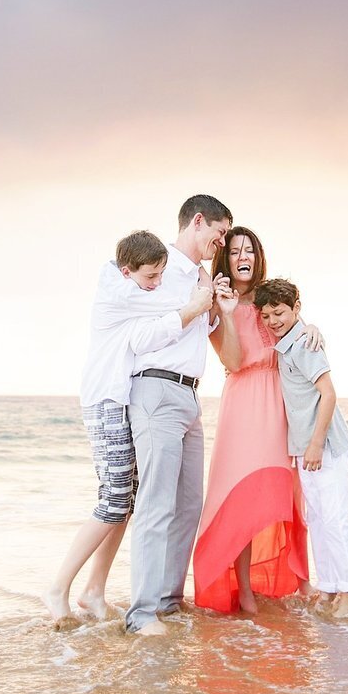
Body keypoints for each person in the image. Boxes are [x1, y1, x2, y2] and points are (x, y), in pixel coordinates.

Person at [41, 230, 213, 630]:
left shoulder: (134, 289)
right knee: (114, 499)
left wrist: (201, 289)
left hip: (121, 400)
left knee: (126, 499)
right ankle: (58, 587)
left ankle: (95, 591)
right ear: (127, 271)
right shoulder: (120, 291)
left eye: (159, 275)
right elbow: (171, 306)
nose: (155, 283)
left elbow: (164, 310)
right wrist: (200, 293)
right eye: (151, 275)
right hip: (104, 401)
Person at [192, 227, 319, 614]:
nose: (242, 256)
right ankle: (244, 589)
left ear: (257, 256)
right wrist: (227, 315)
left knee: (286, 493)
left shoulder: (270, 301)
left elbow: (295, 334)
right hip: (243, 404)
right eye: (234, 252)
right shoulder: (217, 304)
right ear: (226, 260)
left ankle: (301, 581)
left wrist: (312, 328)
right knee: (241, 499)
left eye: (249, 250)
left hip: (280, 401)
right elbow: (231, 361)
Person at [125, 195, 234, 636]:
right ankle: (142, 614)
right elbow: (140, 336)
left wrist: (218, 310)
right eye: (219, 232)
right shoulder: (161, 269)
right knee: (156, 505)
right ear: (198, 221)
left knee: (189, 505)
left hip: (190, 397)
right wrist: (196, 302)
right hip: (156, 389)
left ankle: (169, 602)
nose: (221, 241)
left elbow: (206, 338)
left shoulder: (202, 277)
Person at [254, 278, 348, 617]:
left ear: (296, 310)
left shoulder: (303, 344)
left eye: (280, 313)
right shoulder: (292, 339)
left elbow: (328, 393)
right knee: (318, 519)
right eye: (266, 315)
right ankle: (331, 587)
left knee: (334, 518)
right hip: (304, 447)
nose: (273, 321)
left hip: (324, 445)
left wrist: (317, 444)